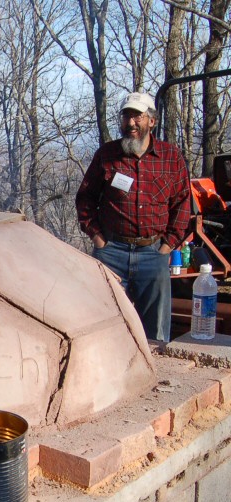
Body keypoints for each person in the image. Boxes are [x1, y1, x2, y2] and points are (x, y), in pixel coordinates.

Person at [76, 92, 191, 342]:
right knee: (102, 325)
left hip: (153, 253)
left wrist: (168, 245)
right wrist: (97, 238)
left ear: (152, 121)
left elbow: (183, 204)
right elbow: (85, 198)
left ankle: (155, 377)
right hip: (111, 252)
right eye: (126, 116)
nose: (130, 123)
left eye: (137, 116)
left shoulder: (171, 157)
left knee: (156, 332)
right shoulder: (107, 155)